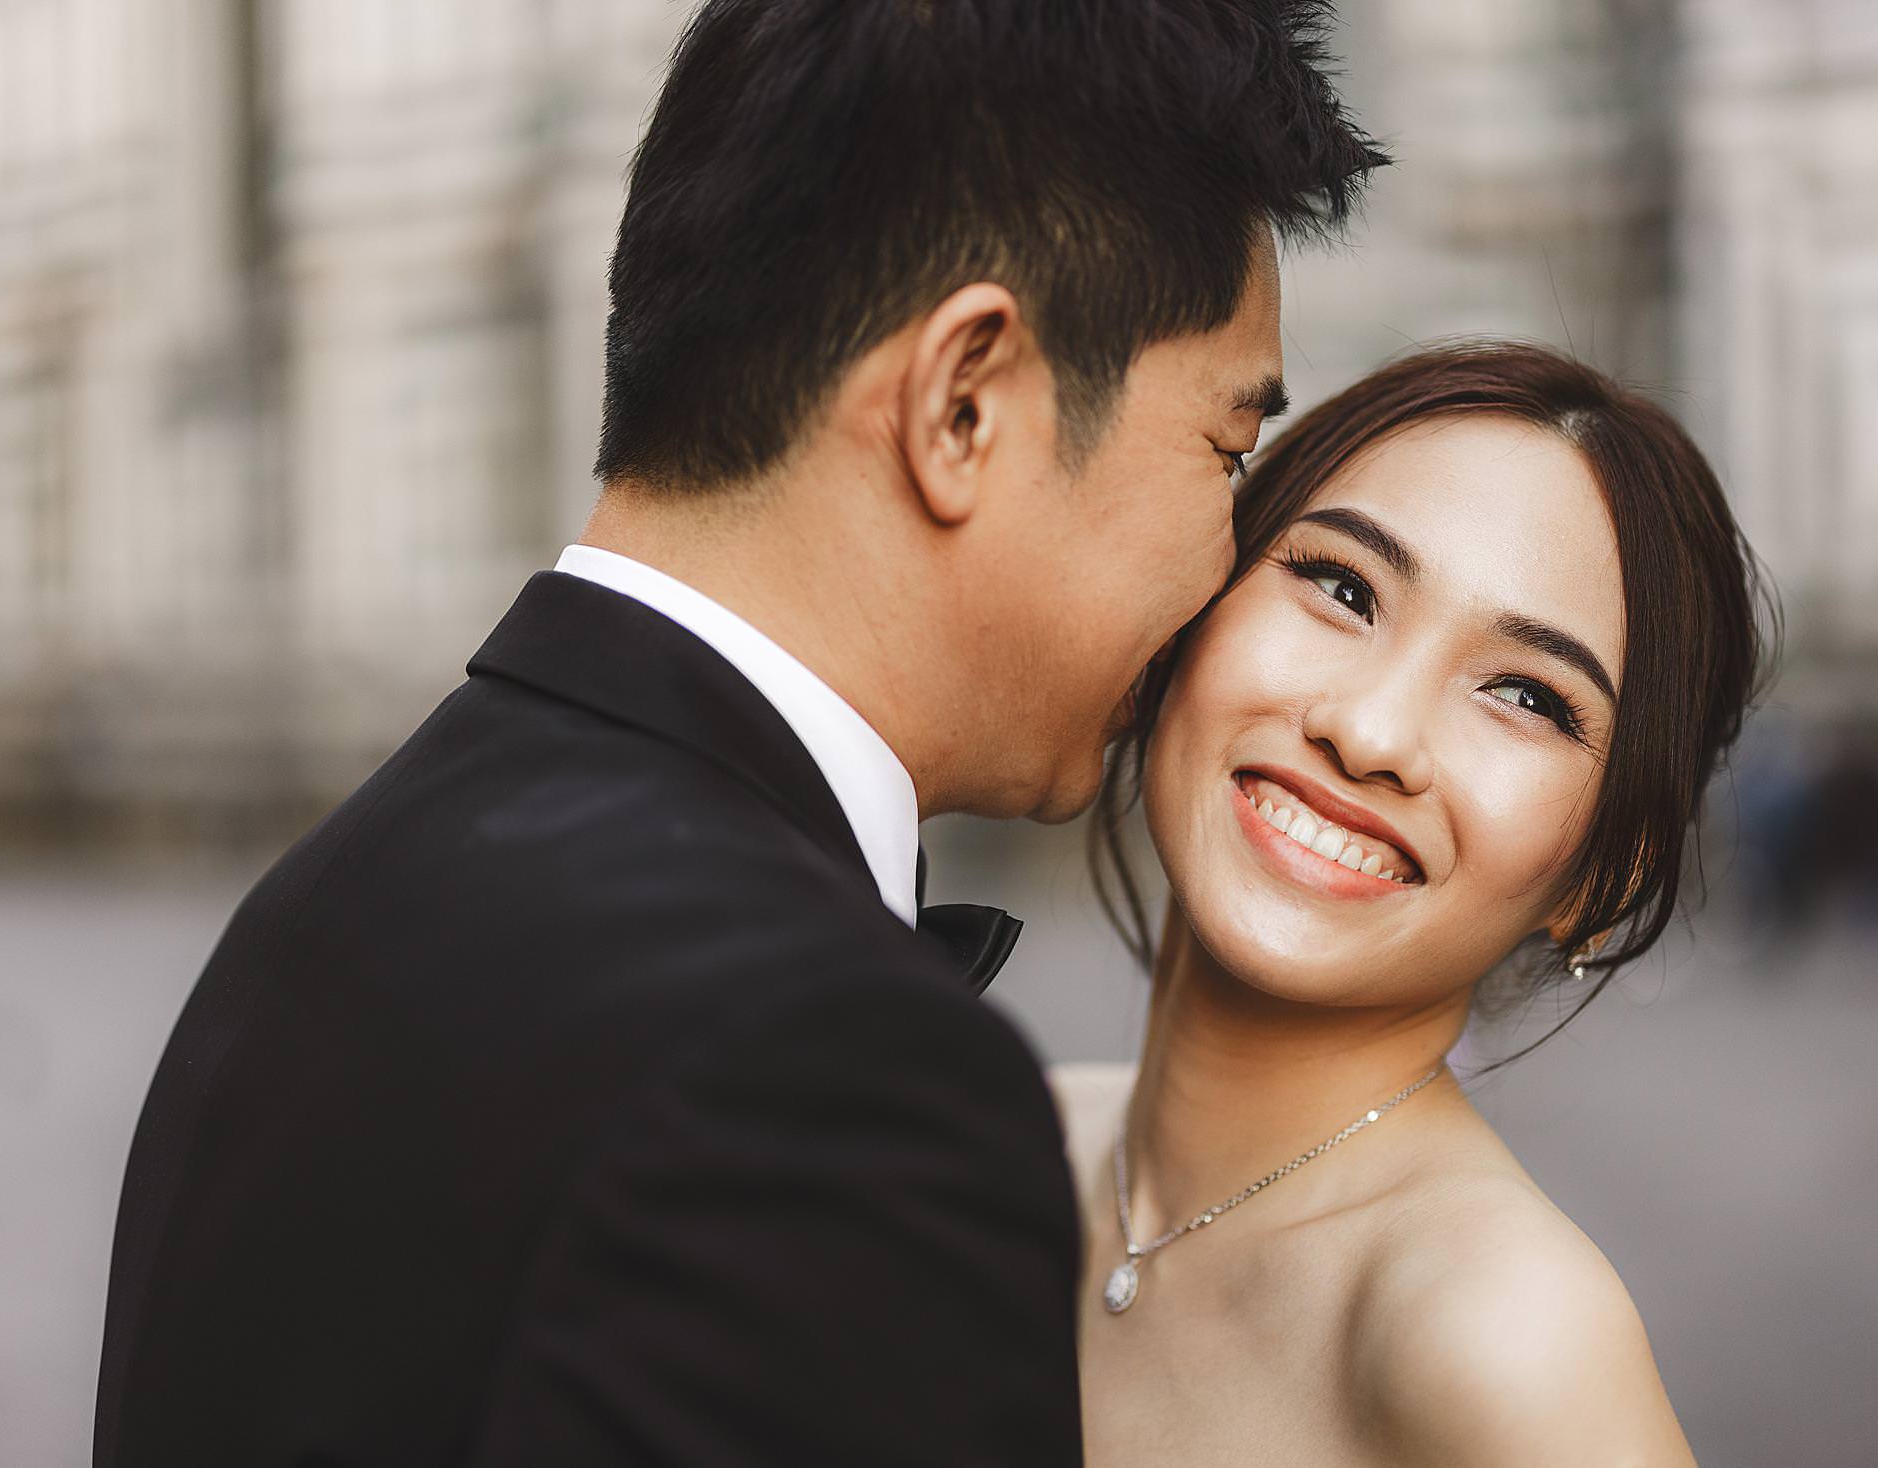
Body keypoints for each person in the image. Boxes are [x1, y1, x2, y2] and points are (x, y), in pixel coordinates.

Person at [92, 3, 1383, 1464]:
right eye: (1225, 449)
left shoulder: (337, 885)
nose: (1226, 569)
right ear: (965, 402)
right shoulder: (830, 1080)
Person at [1054, 342, 1769, 1466]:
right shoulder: (1000, 1143)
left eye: (1527, 696)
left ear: (1604, 877)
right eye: (1343, 587)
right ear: (1194, 599)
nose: (1371, 733)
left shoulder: (1508, 1336)